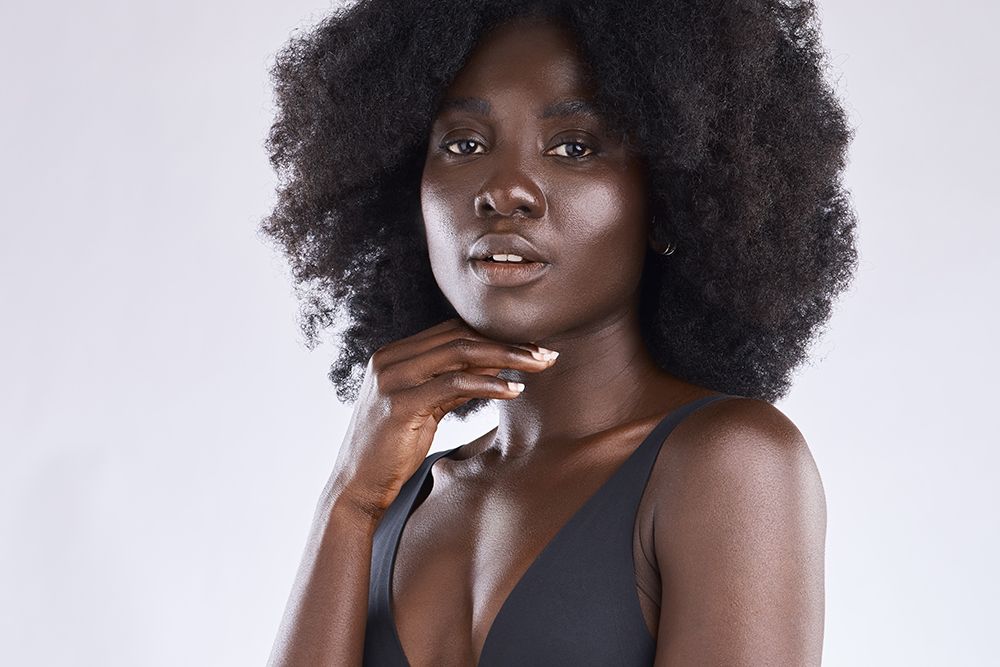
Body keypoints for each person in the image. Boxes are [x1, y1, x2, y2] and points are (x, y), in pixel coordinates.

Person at [261, 1, 857, 665]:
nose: (506, 190)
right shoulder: (394, 501)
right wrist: (347, 501)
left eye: (574, 147)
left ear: (665, 200)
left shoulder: (729, 462)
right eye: (463, 144)